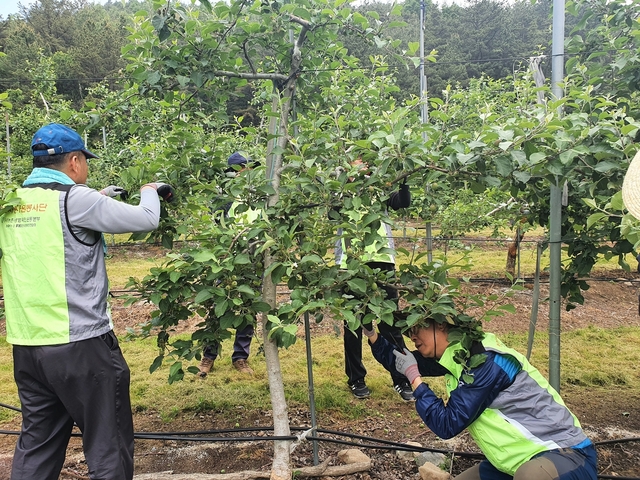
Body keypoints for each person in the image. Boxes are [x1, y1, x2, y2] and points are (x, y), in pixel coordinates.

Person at [0, 123, 172, 480]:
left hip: (28, 347)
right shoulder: (77, 200)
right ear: (75, 162)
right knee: (107, 443)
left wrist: (100, 195)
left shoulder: (11, 203)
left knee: (37, 443)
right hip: (82, 347)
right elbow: (146, 218)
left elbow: (57, 227)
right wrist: (149, 190)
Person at [365, 317, 598, 479]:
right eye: (408, 330)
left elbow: (447, 423)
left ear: (443, 325)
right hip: (512, 465)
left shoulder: (485, 362)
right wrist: (370, 332)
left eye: (418, 327)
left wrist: (414, 377)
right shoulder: (457, 356)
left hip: (564, 455)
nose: (411, 335)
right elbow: (400, 362)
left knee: (531, 476)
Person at [334, 160, 414, 401]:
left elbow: (403, 202)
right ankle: (356, 378)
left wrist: (404, 178)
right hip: (351, 265)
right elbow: (330, 210)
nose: (361, 172)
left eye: (365, 168)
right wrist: (343, 181)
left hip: (383, 263)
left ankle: (400, 379)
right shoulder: (342, 194)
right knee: (353, 324)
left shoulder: (379, 191)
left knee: (390, 323)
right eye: (355, 168)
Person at [198, 151, 258, 377]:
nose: (246, 172)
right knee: (217, 306)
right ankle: (209, 354)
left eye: (248, 168)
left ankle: (240, 357)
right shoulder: (221, 199)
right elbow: (217, 229)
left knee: (247, 308)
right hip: (225, 260)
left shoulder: (257, 197)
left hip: (252, 259)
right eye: (241, 169)